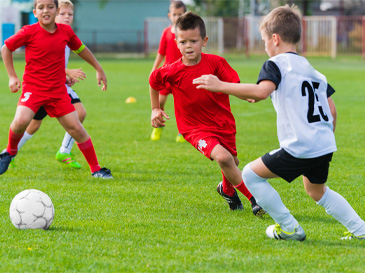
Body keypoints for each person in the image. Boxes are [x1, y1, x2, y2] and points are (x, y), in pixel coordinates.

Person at [193, 5, 365, 240]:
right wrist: (322, 138)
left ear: (274, 39)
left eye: (264, 41)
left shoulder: (275, 64)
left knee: (252, 175)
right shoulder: (313, 70)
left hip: (300, 146)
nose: (264, 46)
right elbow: (331, 109)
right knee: (317, 191)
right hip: (323, 144)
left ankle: (289, 228)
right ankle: (361, 230)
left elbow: (262, 91)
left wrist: (219, 85)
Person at [149, 12, 265, 217]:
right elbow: (153, 81)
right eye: (183, 41)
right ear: (176, 43)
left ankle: (227, 190)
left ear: (204, 41)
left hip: (223, 123)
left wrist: (246, 95)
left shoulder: (216, 63)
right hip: (194, 128)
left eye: (193, 41)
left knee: (233, 162)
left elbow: (233, 85)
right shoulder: (172, 70)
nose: (188, 46)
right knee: (224, 158)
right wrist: (155, 108)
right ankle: (255, 199)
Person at [0, 0, 112, 178]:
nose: (46, 10)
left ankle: (96, 169)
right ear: (35, 12)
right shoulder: (29, 31)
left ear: (56, 10)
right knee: (21, 120)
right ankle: (10, 152)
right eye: (41, 7)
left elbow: (82, 50)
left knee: (76, 128)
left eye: (50, 7)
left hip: (57, 92)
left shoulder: (65, 32)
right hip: (34, 89)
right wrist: (12, 76)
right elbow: (6, 48)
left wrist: (99, 69)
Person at [10, 0, 86, 170]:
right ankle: (9, 153)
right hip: (43, 86)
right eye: (63, 14)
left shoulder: (66, 33)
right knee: (33, 124)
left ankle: (64, 151)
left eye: (70, 14)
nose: (66, 17)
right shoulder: (46, 32)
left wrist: (64, 76)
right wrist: (67, 72)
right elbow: (46, 62)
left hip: (58, 85)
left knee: (79, 112)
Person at [150, 0, 186, 143]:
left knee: (182, 105)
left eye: (180, 14)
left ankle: (182, 131)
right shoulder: (166, 32)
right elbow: (161, 53)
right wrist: (154, 69)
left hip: (182, 74)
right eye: (174, 14)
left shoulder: (186, 34)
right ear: (169, 15)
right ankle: (158, 126)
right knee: (159, 101)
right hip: (167, 74)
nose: (177, 17)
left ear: (185, 15)